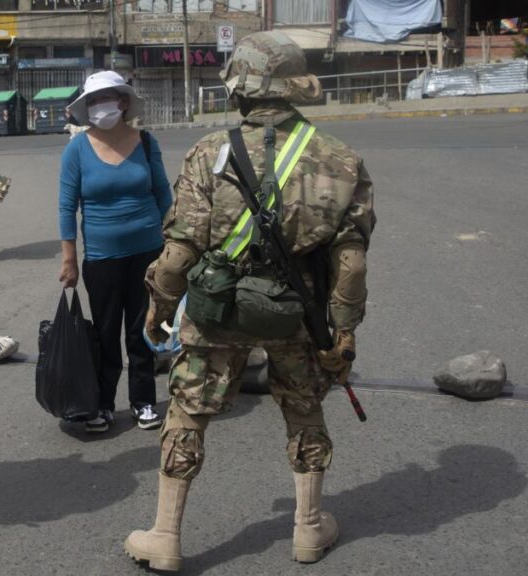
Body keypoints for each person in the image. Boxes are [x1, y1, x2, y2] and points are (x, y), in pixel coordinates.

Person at [124, 31, 375, 571]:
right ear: (292, 89)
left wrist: (160, 306)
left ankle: (166, 536)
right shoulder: (339, 160)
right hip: (297, 314)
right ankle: (309, 530)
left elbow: (181, 248)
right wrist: (344, 331)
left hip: (218, 311)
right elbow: (350, 262)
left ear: (238, 88)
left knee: (189, 412)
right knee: (304, 409)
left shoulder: (208, 152)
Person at [58, 71, 173, 433]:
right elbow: (66, 207)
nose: (99, 105)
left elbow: (163, 195)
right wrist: (69, 259)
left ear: (123, 102)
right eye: (92, 100)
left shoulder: (146, 142)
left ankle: (143, 402)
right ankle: (104, 404)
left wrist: (174, 245)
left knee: (143, 331)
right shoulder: (76, 149)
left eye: (105, 98)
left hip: (148, 251)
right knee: (106, 334)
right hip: (103, 258)